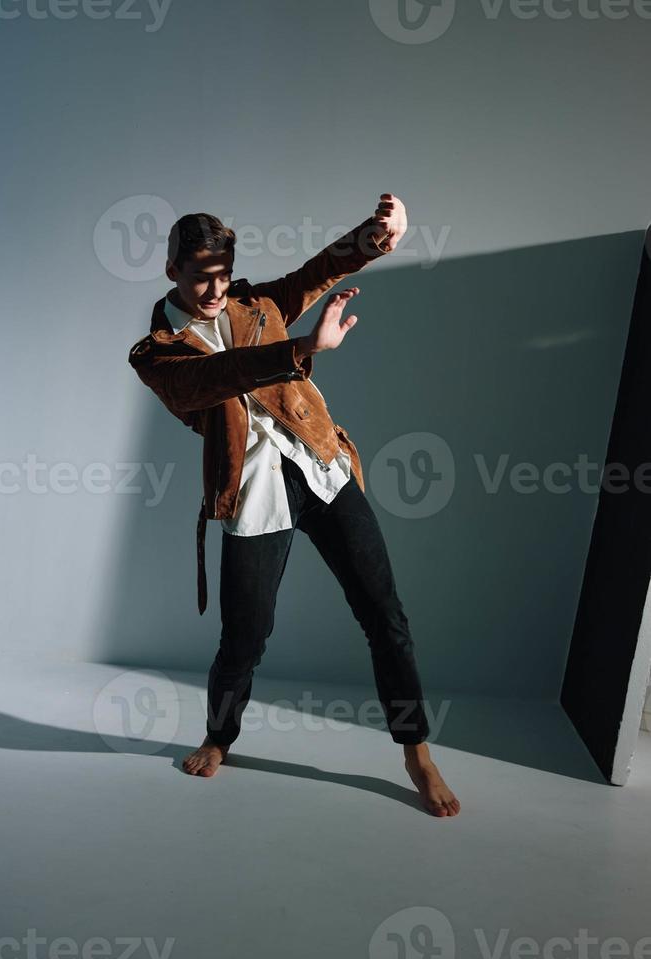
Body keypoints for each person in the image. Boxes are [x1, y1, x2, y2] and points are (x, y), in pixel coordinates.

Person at [128, 194, 460, 817]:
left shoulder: (256, 304)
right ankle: (218, 738)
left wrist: (377, 236)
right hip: (253, 496)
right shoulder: (156, 353)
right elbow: (211, 380)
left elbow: (319, 271)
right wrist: (300, 348)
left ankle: (417, 750)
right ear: (171, 268)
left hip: (323, 471)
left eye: (224, 273)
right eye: (201, 275)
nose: (214, 288)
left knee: (385, 614)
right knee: (244, 640)